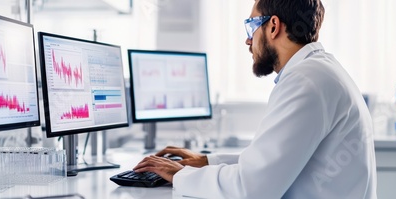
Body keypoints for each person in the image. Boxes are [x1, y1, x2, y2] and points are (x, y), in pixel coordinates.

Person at [133, 0, 377, 198]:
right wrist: (207, 161)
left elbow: (251, 189)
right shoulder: (317, 71)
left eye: (251, 27)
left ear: (273, 26)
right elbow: (271, 163)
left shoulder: (306, 80)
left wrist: (179, 175)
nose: (248, 40)